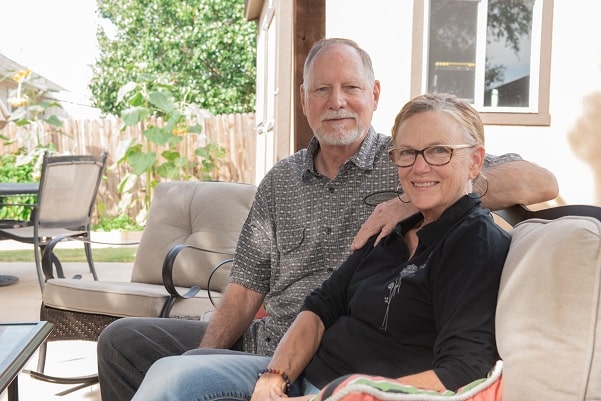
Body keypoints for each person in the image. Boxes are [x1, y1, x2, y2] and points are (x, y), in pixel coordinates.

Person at [97, 38, 558, 401]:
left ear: (373, 95)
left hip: (341, 355)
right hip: (271, 343)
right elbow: (244, 291)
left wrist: (409, 203)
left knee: (176, 380)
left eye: (351, 88)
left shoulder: (408, 160)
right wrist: (206, 354)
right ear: (304, 100)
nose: (337, 101)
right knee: (124, 341)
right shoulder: (281, 180)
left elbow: (539, 180)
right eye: (322, 89)